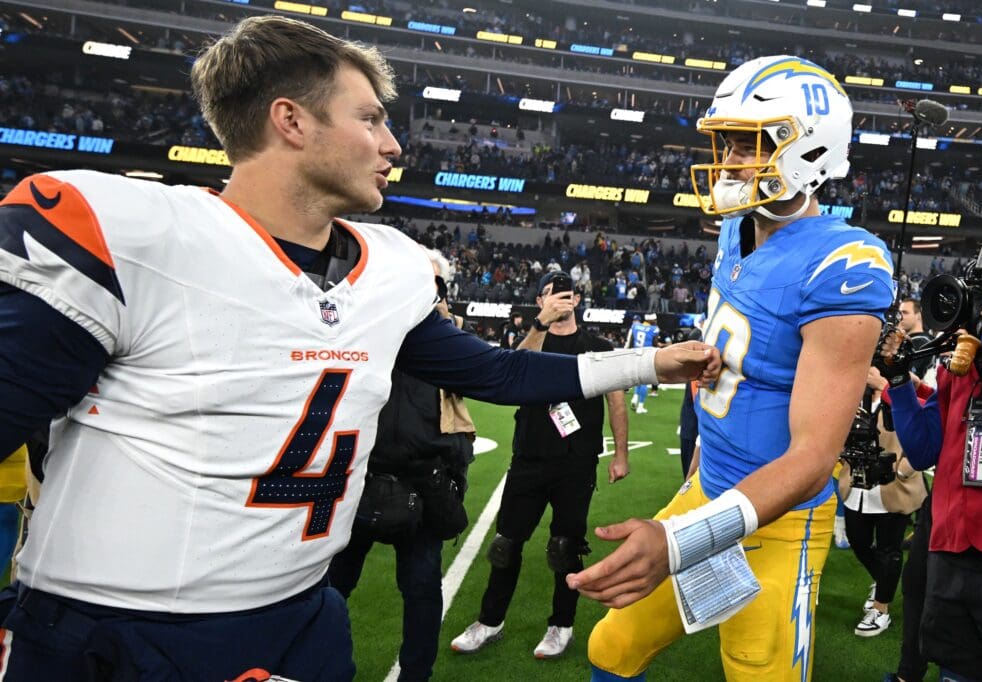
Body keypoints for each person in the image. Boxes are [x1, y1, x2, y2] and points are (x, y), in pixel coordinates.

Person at [0, 15, 719, 681]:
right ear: (291, 121)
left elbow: (499, 372)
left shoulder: (389, 269)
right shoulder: (138, 236)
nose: (393, 145)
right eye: (370, 118)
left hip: (302, 617)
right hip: (116, 629)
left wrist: (654, 361)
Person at [574, 55, 896, 682]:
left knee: (756, 670)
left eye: (747, 146)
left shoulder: (846, 262)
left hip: (779, 520)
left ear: (806, 150)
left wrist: (680, 541)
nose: (728, 164)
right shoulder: (737, 230)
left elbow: (808, 461)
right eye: (726, 145)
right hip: (708, 484)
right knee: (611, 647)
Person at [451, 270, 630, 660]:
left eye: (565, 295)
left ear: (578, 301)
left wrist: (620, 454)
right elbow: (512, 370)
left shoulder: (596, 346)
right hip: (529, 458)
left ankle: (560, 625)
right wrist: (541, 323)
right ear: (539, 301)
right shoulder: (534, 339)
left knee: (565, 548)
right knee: (505, 545)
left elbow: (616, 398)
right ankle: (490, 620)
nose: (559, 301)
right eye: (550, 295)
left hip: (576, 464)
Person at [328, 252, 474, 682]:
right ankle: (322, 665)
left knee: (422, 590)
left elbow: (493, 372)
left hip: (425, 481)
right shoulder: (367, 329)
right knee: (331, 587)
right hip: (360, 479)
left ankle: (416, 675)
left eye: (432, 286)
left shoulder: (451, 342)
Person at [882, 279, 982, 681]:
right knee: (955, 671)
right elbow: (925, 448)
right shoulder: (961, 369)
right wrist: (897, 380)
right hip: (951, 550)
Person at [836, 368, 927, 638]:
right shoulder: (854, 391)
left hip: (894, 486)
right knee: (858, 541)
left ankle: (881, 608)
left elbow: (925, 421)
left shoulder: (903, 390)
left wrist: (906, 468)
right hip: (857, 484)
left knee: (890, 549)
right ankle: (883, 580)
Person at [625, 313, 662, 413]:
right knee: (645, 382)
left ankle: (635, 397)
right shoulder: (654, 329)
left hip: (636, 355)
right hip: (646, 356)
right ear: (652, 320)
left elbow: (631, 342)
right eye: (655, 319)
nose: (656, 321)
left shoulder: (636, 326)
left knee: (638, 380)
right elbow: (654, 344)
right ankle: (640, 406)